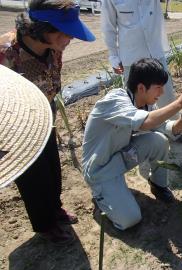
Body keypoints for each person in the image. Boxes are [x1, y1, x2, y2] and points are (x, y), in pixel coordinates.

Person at [0, 0, 95, 245]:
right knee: (33, 177)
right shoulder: (6, 52)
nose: (71, 39)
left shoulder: (54, 48)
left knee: (52, 168)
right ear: (45, 29)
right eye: (67, 33)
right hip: (16, 125)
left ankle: (55, 207)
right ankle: (45, 225)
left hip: (46, 115)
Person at [82, 58, 182, 230]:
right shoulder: (116, 100)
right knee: (130, 220)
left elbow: (169, 129)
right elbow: (146, 123)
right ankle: (100, 195)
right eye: (158, 87)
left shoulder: (145, 105)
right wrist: (179, 102)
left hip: (120, 157)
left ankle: (158, 185)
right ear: (141, 88)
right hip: (100, 169)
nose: (161, 93)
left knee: (159, 141)